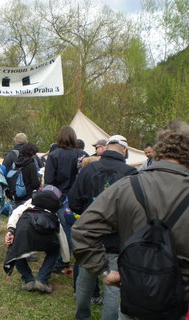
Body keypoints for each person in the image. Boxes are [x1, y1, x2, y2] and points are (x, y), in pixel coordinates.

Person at [72, 120, 189, 320]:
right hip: (179, 298)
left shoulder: (128, 185)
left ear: (159, 150)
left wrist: (106, 272)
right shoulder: (128, 180)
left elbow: (82, 229)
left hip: (135, 291)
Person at [69, 135, 137, 320]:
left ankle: (82, 316)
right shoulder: (131, 173)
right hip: (117, 238)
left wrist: (87, 215)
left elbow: (74, 201)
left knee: (85, 279)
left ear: (106, 148)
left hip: (90, 236)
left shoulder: (90, 168)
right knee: (114, 285)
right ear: (124, 150)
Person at [4, 185, 62, 293]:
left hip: (24, 229)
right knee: (54, 251)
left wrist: (10, 230)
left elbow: (16, 213)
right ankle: (42, 280)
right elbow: (60, 234)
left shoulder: (30, 202)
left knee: (15, 251)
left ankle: (28, 280)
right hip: (46, 232)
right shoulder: (54, 209)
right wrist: (66, 259)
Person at [44, 125, 85, 273]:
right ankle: (77, 256)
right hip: (79, 198)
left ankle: (63, 261)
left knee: (64, 230)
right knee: (78, 228)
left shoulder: (54, 155)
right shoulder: (82, 154)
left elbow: (49, 180)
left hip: (61, 198)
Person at [7, 143, 41, 208]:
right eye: (34, 153)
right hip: (27, 197)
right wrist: (39, 180)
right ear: (30, 154)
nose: (35, 156)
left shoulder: (15, 163)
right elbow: (35, 184)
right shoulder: (31, 165)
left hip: (16, 196)